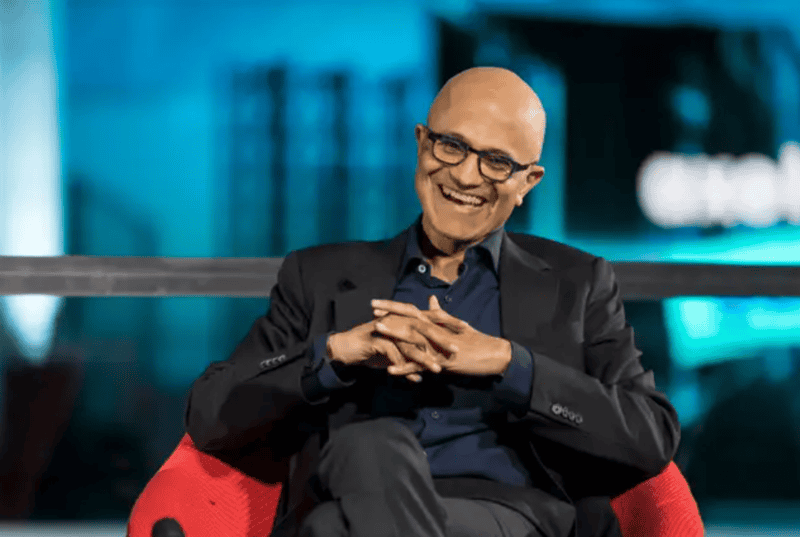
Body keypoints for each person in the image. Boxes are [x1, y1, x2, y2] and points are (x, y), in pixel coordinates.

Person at [185, 67, 681, 537]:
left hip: (511, 516)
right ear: (422, 144)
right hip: (346, 507)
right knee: (365, 451)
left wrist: (510, 364)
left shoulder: (577, 283)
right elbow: (211, 415)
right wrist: (334, 353)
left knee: (340, 510)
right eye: (452, 146)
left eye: (496, 161)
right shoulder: (318, 276)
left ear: (527, 182)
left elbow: (650, 436)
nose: (465, 176)